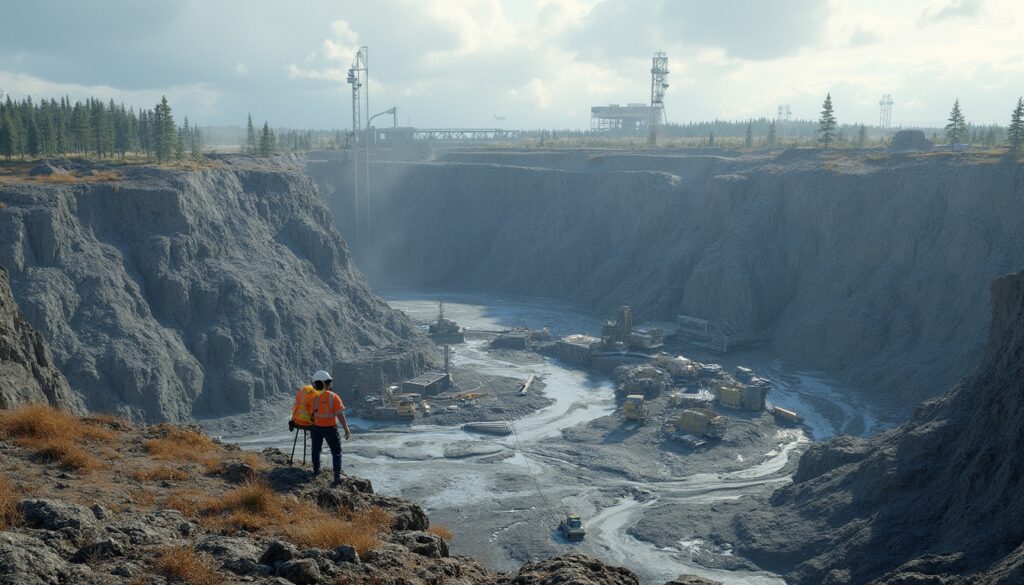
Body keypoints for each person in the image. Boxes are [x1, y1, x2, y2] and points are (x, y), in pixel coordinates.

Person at [291, 369, 350, 484]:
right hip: (330, 429)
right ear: (325, 383)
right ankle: (337, 476)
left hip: (316, 428)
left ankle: (315, 471)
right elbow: (340, 415)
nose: (331, 383)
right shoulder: (334, 398)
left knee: (316, 450)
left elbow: (309, 412)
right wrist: (346, 430)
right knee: (336, 451)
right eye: (329, 381)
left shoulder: (313, 398)